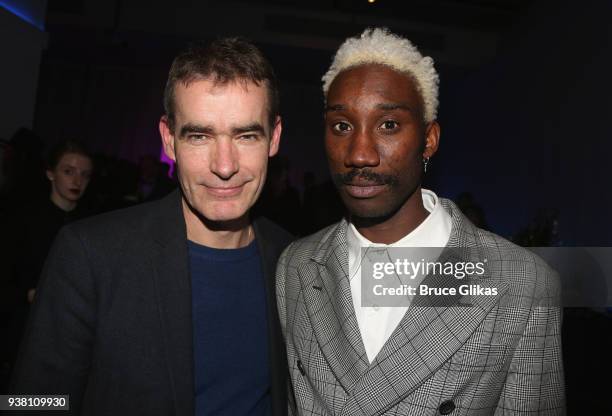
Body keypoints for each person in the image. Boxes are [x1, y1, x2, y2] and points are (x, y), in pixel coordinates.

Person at [276, 28, 564, 415]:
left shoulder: (521, 283)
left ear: (429, 140)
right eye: (342, 126)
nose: (360, 154)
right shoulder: (295, 266)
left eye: (388, 125)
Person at [11, 37, 293, 416]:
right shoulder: (90, 255)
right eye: (199, 136)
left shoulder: (296, 262)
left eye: (245, 135)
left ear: (273, 138)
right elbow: (30, 402)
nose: (225, 166)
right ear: (169, 139)